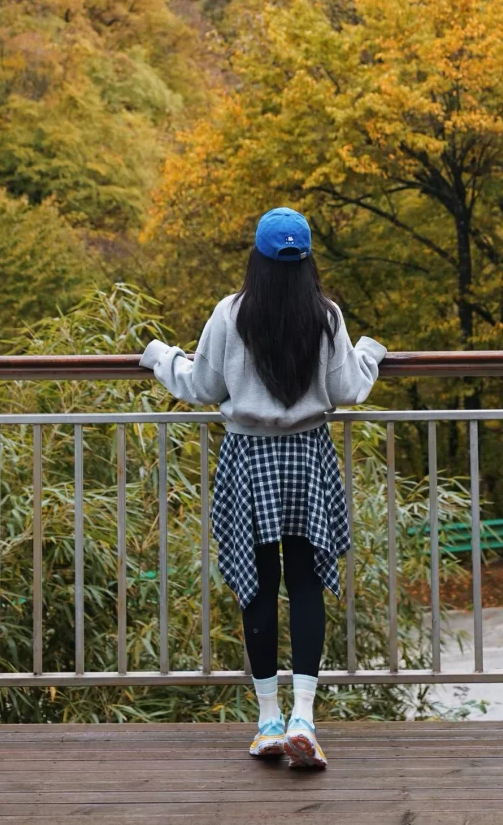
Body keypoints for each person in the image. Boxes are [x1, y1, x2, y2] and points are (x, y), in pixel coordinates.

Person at [140, 206, 386, 769]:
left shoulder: (231, 314)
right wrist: (370, 353)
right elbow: (349, 387)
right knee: (303, 582)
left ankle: (269, 722)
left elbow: (201, 384)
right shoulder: (325, 316)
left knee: (257, 584)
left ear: (257, 257)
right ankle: (305, 718)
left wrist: (159, 356)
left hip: (249, 457)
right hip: (307, 457)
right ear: (307, 262)